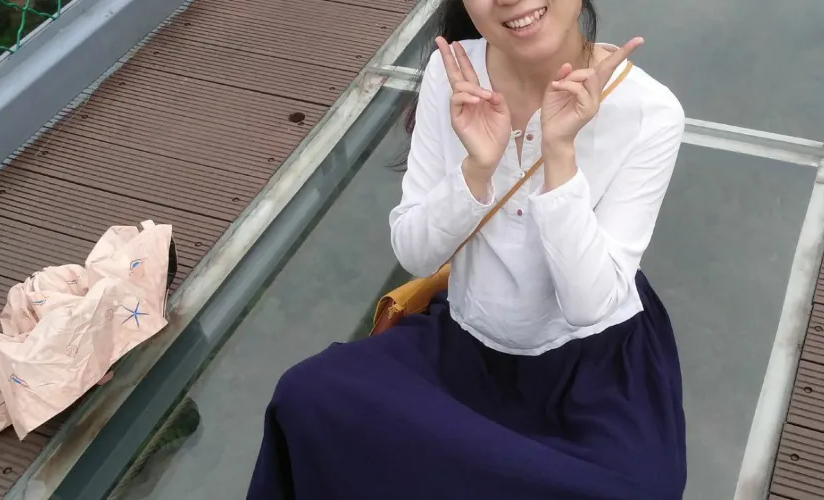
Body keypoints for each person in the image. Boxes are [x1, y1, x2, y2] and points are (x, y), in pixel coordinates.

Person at [246, 0, 686, 498]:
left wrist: (560, 155)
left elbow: (589, 305)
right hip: (465, 345)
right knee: (307, 399)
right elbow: (415, 253)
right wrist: (477, 168)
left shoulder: (650, 112)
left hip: (592, 366)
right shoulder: (453, 71)